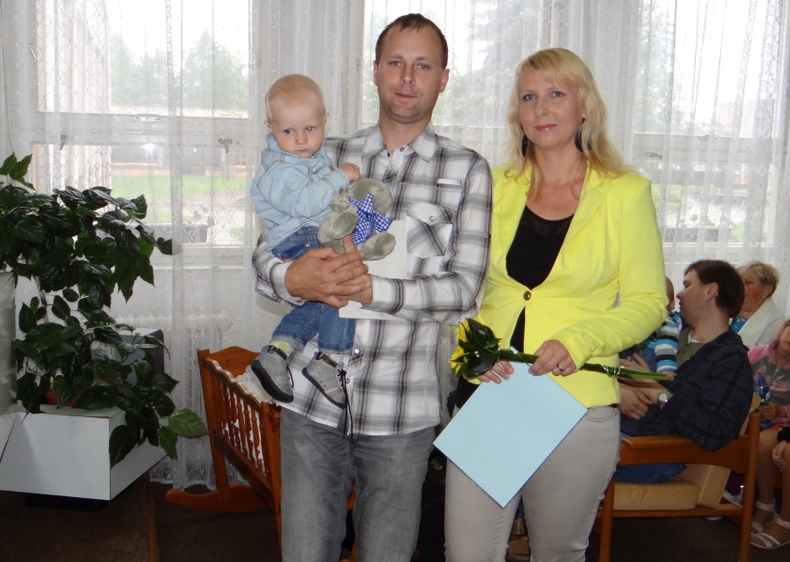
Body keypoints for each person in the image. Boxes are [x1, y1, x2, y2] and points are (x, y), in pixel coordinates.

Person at [252, 14, 492, 562]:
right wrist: (293, 278)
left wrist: (373, 292)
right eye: (396, 62)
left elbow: (465, 290)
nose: (407, 77)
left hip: (400, 412)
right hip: (310, 405)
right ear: (375, 71)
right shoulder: (320, 150)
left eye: (423, 66)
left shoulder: (467, 170)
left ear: (443, 79)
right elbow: (266, 252)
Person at [443, 48, 667, 562]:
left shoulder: (626, 193)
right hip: (492, 394)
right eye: (528, 96)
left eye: (556, 93)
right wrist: (472, 349)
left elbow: (649, 301)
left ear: (584, 106)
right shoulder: (491, 185)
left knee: (557, 553)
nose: (541, 108)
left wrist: (579, 339)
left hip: (576, 403)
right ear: (517, 112)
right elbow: (456, 288)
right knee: (467, 553)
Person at [249, 74, 361, 406]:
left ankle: (277, 351)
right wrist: (341, 175)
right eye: (288, 131)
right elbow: (304, 204)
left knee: (321, 298)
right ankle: (329, 359)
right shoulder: (279, 168)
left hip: (310, 233)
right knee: (343, 286)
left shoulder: (310, 157)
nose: (300, 139)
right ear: (270, 127)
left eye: (310, 128)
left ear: (325, 121)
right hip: (300, 236)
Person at [616, 260, 753, 484]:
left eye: (687, 285)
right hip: (615, 431)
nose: (679, 294)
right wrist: (620, 391)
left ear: (710, 291)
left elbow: (714, 431)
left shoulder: (730, 359)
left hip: (650, 452)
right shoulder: (664, 336)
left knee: (567, 453)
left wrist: (655, 390)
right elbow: (609, 370)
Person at [749, 315, 790, 549]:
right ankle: (765, 504)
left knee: (789, 450)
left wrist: (782, 412)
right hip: (759, 419)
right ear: (783, 328)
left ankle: (786, 522)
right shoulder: (756, 354)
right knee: (761, 440)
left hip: (784, 423)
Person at [620, 277, 681, 378]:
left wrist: (666, 370)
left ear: (671, 305)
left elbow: (666, 346)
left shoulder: (666, 322)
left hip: (652, 362)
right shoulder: (642, 320)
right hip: (635, 358)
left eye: (657, 302)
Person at [731, 261, 785, 348]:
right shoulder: (724, 307)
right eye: (737, 282)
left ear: (766, 289)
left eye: (747, 283)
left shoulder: (777, 323)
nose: (739, 287)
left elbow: (762, 355)